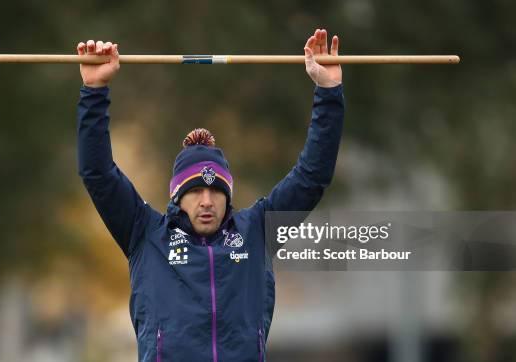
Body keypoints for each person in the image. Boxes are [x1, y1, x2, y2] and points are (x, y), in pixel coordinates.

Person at [76, 28, 344, 362]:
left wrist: (328, 90)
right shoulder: (144, 233)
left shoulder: (258, 230)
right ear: (177, 197)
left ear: (228, 197)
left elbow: (313, 175)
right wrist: (95, 90)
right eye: (195, 191)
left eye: (216, 192)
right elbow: (97, 174)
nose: (206, 201)